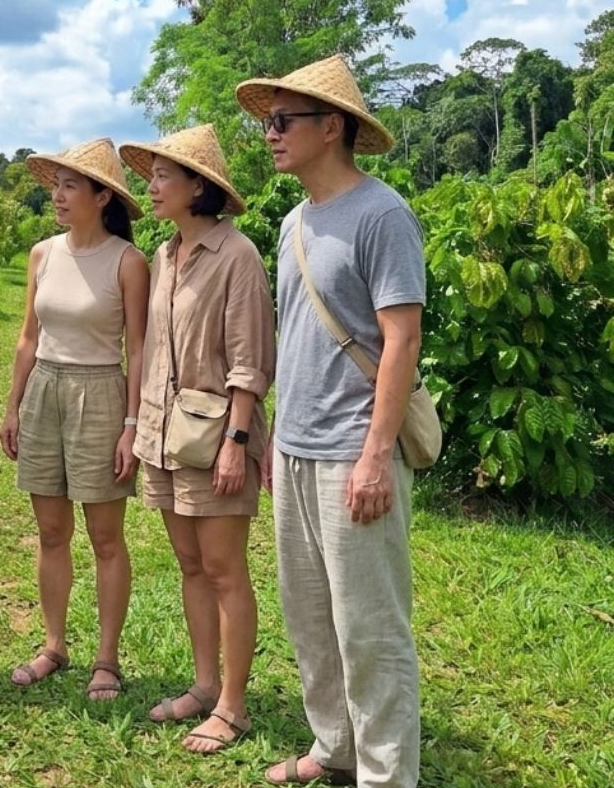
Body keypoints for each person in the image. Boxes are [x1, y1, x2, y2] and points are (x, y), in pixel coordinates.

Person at [235, 55, 425, 788]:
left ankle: (385, 774)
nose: (270, 136)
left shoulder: (383, 213)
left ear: (332, 127)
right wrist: (272, 437)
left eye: (283, 122)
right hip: (296, 446)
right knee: (311, 618)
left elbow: (402, 338)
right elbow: (296, 335)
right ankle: (333, 745)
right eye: (266, 123)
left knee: (370, 628)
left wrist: (377, 454)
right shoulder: (292, 221)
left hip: (354, 448)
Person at [118, 125, 275, 756]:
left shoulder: (236, 255)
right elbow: (154, 351)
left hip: (215, 435)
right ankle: (205, 686)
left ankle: (233, 707)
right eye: (151, 175)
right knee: (190, 565)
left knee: (224, 569)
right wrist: (137, 427)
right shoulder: (164, 254)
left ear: (198, 187)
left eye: (164, 176)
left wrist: (237, 439)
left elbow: (250, 358)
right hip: (164, 432)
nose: (151, 187)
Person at [0, 138, 149, 701]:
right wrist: (13, 405)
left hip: (101, 394)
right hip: (44, 392)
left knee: (106, 538)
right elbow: (28, 336)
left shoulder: (128, 262)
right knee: (51, 531)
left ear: (102, 195)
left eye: (69, 186)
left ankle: (106, 660)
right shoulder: (43, 253)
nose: (57, 196)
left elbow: (138, 348)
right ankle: (54, 645)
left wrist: (132, 425)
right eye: (55, 185)